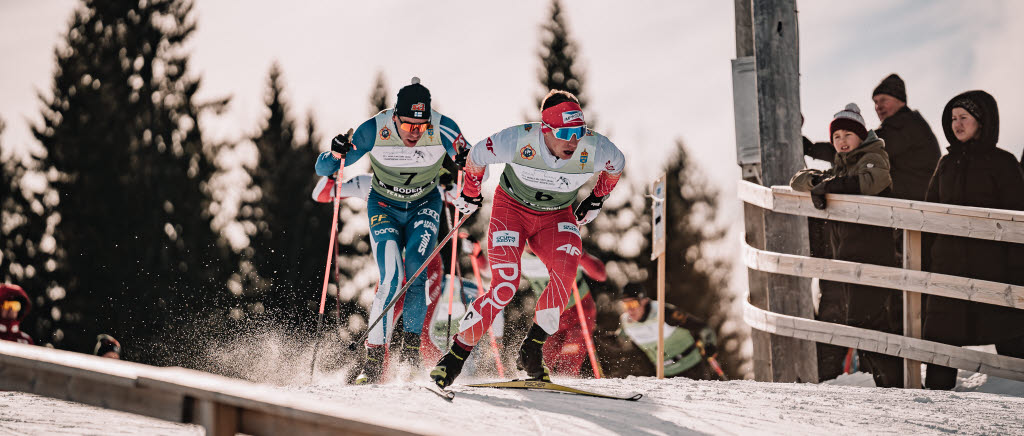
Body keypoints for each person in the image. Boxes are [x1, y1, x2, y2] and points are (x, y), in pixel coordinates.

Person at [430, 90, 625, 388]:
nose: (573, 141)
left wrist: (597, 198)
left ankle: (532, 348)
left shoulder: (596, 148)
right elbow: (478, 154)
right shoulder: (519, 140)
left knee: (565, 273)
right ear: (545, 129)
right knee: (505, 285)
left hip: (557, 216)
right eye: (565, 133)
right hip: (512, 212)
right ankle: (455, 356)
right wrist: (471, 191)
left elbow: (617, 165)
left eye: (579, 132)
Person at [314, 77, 469, 384]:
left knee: (416, 271)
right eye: (408, 125)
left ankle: (410, 356)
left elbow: (479, 162)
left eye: (421, 126)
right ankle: (371, 363)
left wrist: (467, 162)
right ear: (395, 117)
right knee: (391, 277)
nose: (415, 133)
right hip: (383, 205)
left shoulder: (442, 126)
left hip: (425, 205)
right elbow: (324, 174)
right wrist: (335, 154)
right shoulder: (374, 129)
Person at [790, 103, 903, 387]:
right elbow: (797, 183)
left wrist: (829, 186)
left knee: (869, 320)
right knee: (861, 321)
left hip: (874, 254)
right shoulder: (842, 167)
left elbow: (872, 182)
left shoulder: (873, 157)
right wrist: (819, 181)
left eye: (847, 135)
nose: (841, 141)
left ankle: (895, 383)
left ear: (860, 137)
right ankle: (887, 383)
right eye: (836, 136)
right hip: (850, 255)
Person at [921, 90, 1024, 390]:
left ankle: (1018, 394)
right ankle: (935, 402)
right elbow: (929, 212)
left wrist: (1019, 270)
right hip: (948, 269)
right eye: (953, 118)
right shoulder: (945, 163)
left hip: (994, 269)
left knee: (1011, 335)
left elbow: (1018, 218)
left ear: (982, 121)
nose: (957, 124)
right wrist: (925, 259)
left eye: (964, 117)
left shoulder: (1003, 163)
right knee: (941, 340)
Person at [804, 74, 941, 201]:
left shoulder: (904, 126)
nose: (878, 107)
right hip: (911, 200)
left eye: (883, 100)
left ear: (900, 101)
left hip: (910, 203)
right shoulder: (907, 123)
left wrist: (810, 148)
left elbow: (855, 150)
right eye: (875, 102)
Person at [522, 248, 605, 377]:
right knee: (542, 356)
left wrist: (581, 255)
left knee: (569, 360)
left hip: (578, 309)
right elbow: (491, 273)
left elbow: (601, 274)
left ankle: (568, 384)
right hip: (551, 313)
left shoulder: (559, 247)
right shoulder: (520, 257)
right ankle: (538, 385)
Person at [614, 283, 717, 380]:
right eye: (625, 305)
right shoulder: (625, 322)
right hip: (664, 374)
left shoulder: (664, 311)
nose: (630, 310)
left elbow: (703, 328)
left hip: (692, 368)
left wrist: (709, 344)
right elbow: (618, 341)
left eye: (633, 303)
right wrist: (599, 338)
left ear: (644, 300)